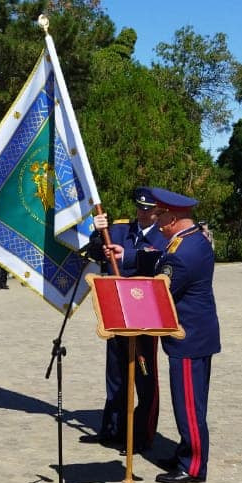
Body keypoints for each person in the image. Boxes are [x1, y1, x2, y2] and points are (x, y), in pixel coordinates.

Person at [105, 187, 219, 483]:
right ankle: (185, 453)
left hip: (189, 338)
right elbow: (157, 260)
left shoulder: (185, 251)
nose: (159, 222)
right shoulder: (188, 240)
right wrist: (127, 255)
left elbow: (161, 286)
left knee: (189, 405)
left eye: (162, 216)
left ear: (173, 217)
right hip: (193, 336)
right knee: (187, 402)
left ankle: (193, 465)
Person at [82, 188, 166, 453]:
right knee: (116, 374)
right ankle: (112, 429)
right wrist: (96, 231)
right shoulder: (119, 230)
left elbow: (158, 262)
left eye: (148, 209)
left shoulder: (164, 238)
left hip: (145, 317)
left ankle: (142, 435)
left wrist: (126, 257)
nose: (142, 213)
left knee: (144, 374)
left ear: (158, 211)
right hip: (117, 312)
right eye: (139, 208)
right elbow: (94, 253)